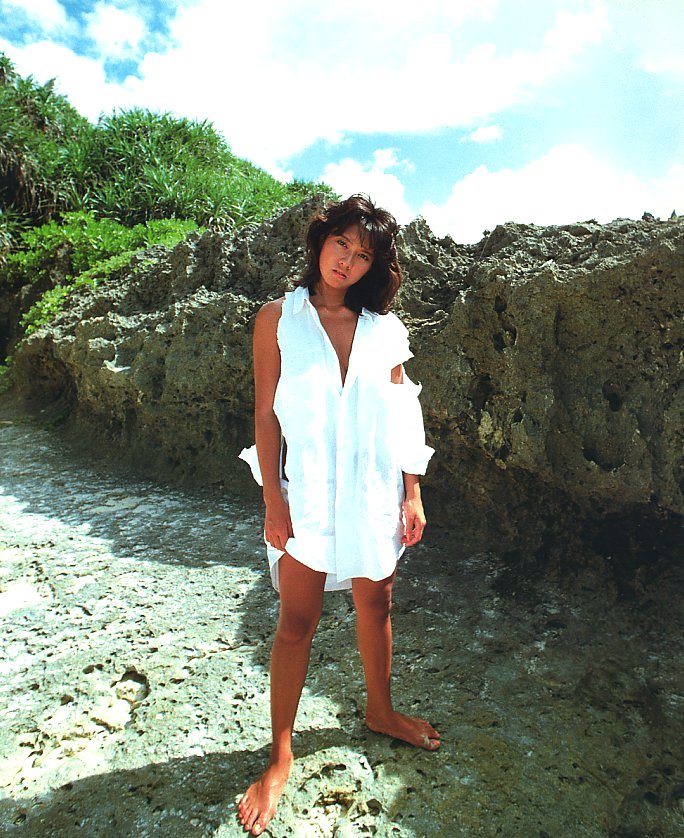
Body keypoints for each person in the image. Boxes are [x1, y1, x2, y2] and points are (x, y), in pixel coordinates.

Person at [237, 194, 438, 835]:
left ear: (374, 267)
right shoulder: (278, 319)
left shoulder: (385, 330)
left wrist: (411, 491)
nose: (347, 260)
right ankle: (280, 755)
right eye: (341, 243)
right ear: (321, 241)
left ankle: (380, 710)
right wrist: (273, 499)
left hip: (374, 492)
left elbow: (404, 413)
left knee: (376, 605)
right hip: (306, 498)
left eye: (363, 254)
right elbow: (265, 414)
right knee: (296, 622)